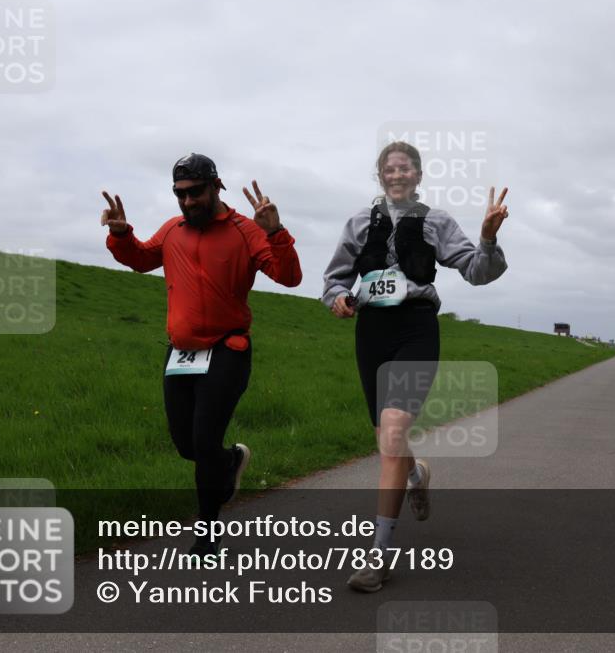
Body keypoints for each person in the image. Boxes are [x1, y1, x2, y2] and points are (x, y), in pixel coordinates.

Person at [322, 141, 509, 592]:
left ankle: (378, 557)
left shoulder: (437, 222)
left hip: (416, 328)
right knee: (387, 436)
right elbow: (334, 280)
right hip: (372, 332)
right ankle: (414, 475)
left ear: (418, 175)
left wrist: (487, 238)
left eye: (405, 168)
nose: (397, 174)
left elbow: (478, 271)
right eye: (389, 168)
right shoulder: (358, 222)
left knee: (391, 430)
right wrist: (339, 299)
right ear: (380, 175)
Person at [101, 153, 302, 555]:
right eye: (180, 194)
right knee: (186, 445)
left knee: (204, 440)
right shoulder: (173, 230)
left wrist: (276, 231)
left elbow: (289, 277)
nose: (188, 202)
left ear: (216, 186)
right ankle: (230, 462)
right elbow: (141, 259)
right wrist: (122, 236)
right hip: (180, 354)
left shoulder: (246, 231)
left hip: (228, 349)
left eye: (195, 193)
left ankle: (208, 533)